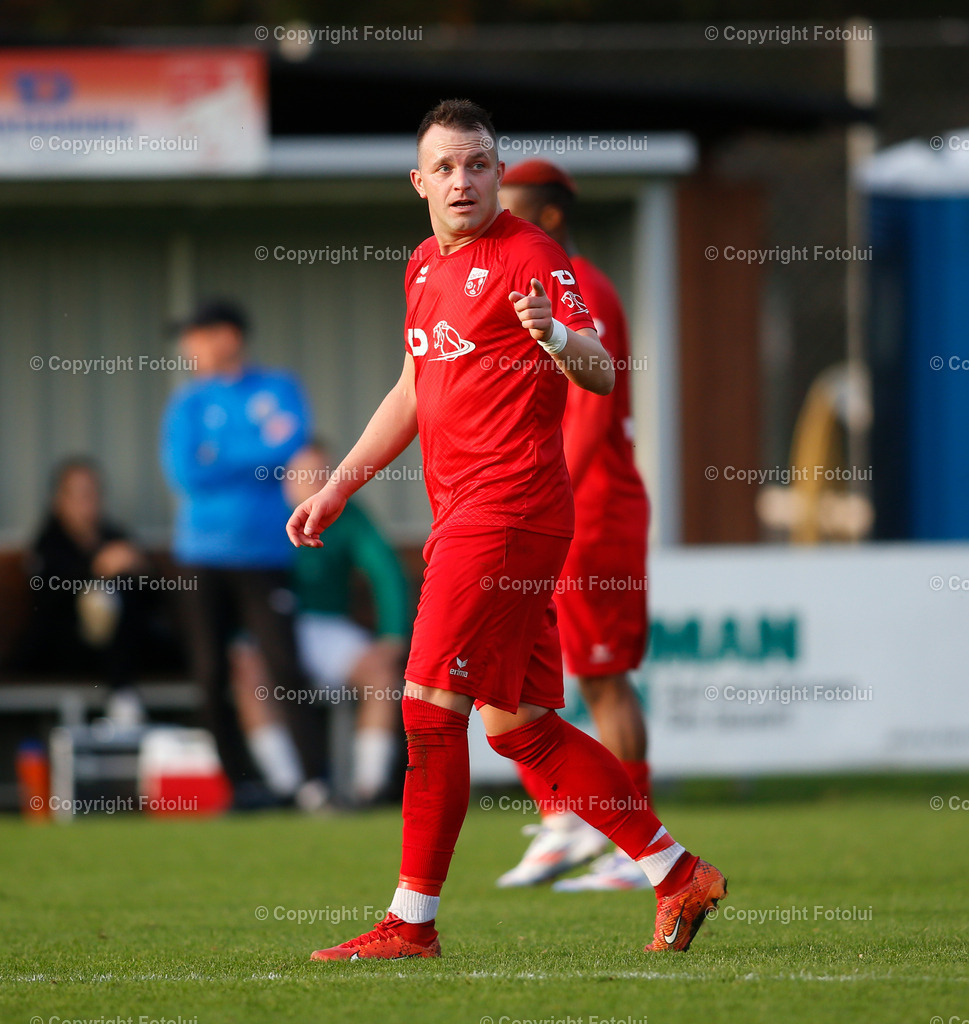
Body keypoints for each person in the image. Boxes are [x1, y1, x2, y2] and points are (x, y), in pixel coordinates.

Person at [287, 99, 726, 960]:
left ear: (498, 174)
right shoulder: (421, 265)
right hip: (473, 515)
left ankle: (410, 926)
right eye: (445, 167)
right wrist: (340, 485)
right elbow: (415, 387)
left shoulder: (531, 255)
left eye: (478, 164)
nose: (463, 180)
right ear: (419, 182)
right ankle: (677, 874)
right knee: (514, 723)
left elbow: (598, 368)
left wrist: (558, 336)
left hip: (508, 509)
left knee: (426, 708)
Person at [495, 159, 653, 892]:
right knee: (532, 673)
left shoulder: (576, 287)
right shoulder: (537, 282)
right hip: (562, 505)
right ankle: (567, 821)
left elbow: (587, 418)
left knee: (602, 678)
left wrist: (537, 493)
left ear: (549, 217)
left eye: (513, 209)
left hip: (588, 509)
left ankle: (633, 845)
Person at [160, 300, 320, 800]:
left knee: (284, 665)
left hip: (267, 554)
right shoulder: (186, 403)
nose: (189, 348)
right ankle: (242, 785)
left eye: (197, 336)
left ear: (228, 336)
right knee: (209, 671)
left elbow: (290, 444)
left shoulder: (279, 388)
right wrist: (254, 455)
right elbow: (187, 473)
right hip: (200, 554)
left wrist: (221, 455)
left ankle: (317, 780)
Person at [285, 441, 409, 805]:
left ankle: (368, 789)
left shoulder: (347, 514)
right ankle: (292, 788)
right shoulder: (258, 513)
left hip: (329, 628)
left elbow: (384, 570)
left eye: (322, 475)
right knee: (250, 671)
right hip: (272, 633)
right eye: (304, 475)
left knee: (382, 674)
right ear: (286, 480)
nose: (314, 483)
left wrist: (393, 634)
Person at [11, 457, 150, 726]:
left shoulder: (114, 535)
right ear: (59, 500)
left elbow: (151, 598)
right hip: (62, 650)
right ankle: (122, 696)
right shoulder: (48, 543)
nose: (89, 501)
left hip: (120, 651)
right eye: (80, 493)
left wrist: (140, 567)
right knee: (101, 596)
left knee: (121, 591)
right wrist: (95, 569)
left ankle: (124, 698)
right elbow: (49, 596)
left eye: (94, 492)